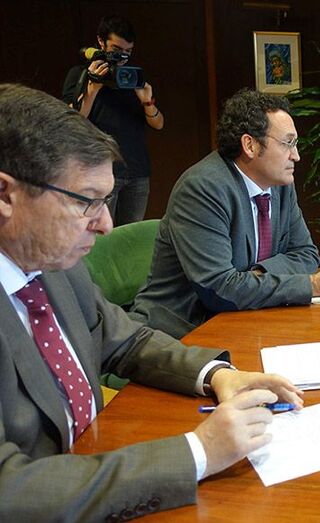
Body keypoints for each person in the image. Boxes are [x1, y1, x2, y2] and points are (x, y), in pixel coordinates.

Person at [0, 83, 304, 520]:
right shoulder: (51, 254)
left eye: (106, 201)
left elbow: (127, 340)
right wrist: (198, 452)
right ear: (6, 195)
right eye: (87, 202)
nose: (106, 224)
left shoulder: (52, 264)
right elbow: (10, 489)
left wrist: (219, 375)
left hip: (94, 461)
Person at [129, 89, 320, 338]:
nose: (296, 155)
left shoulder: (280, 184)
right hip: (182, 331)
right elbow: (220, 290)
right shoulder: (203, 188)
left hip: (248, 319)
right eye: (288, 143)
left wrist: (254, 277)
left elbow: (306, 254)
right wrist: (312, 285)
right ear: (250, 145)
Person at [61, 15, 163, 226]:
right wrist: (93, 88)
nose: (123, 56)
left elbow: (159, 123)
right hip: (100, 171)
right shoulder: (80, 74)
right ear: (101, 42)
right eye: (117, 50)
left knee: (131, 236)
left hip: (137, 171)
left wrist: (147, 102)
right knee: (100, 233)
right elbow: (71, 122)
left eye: (128, 51)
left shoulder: (132, 76)